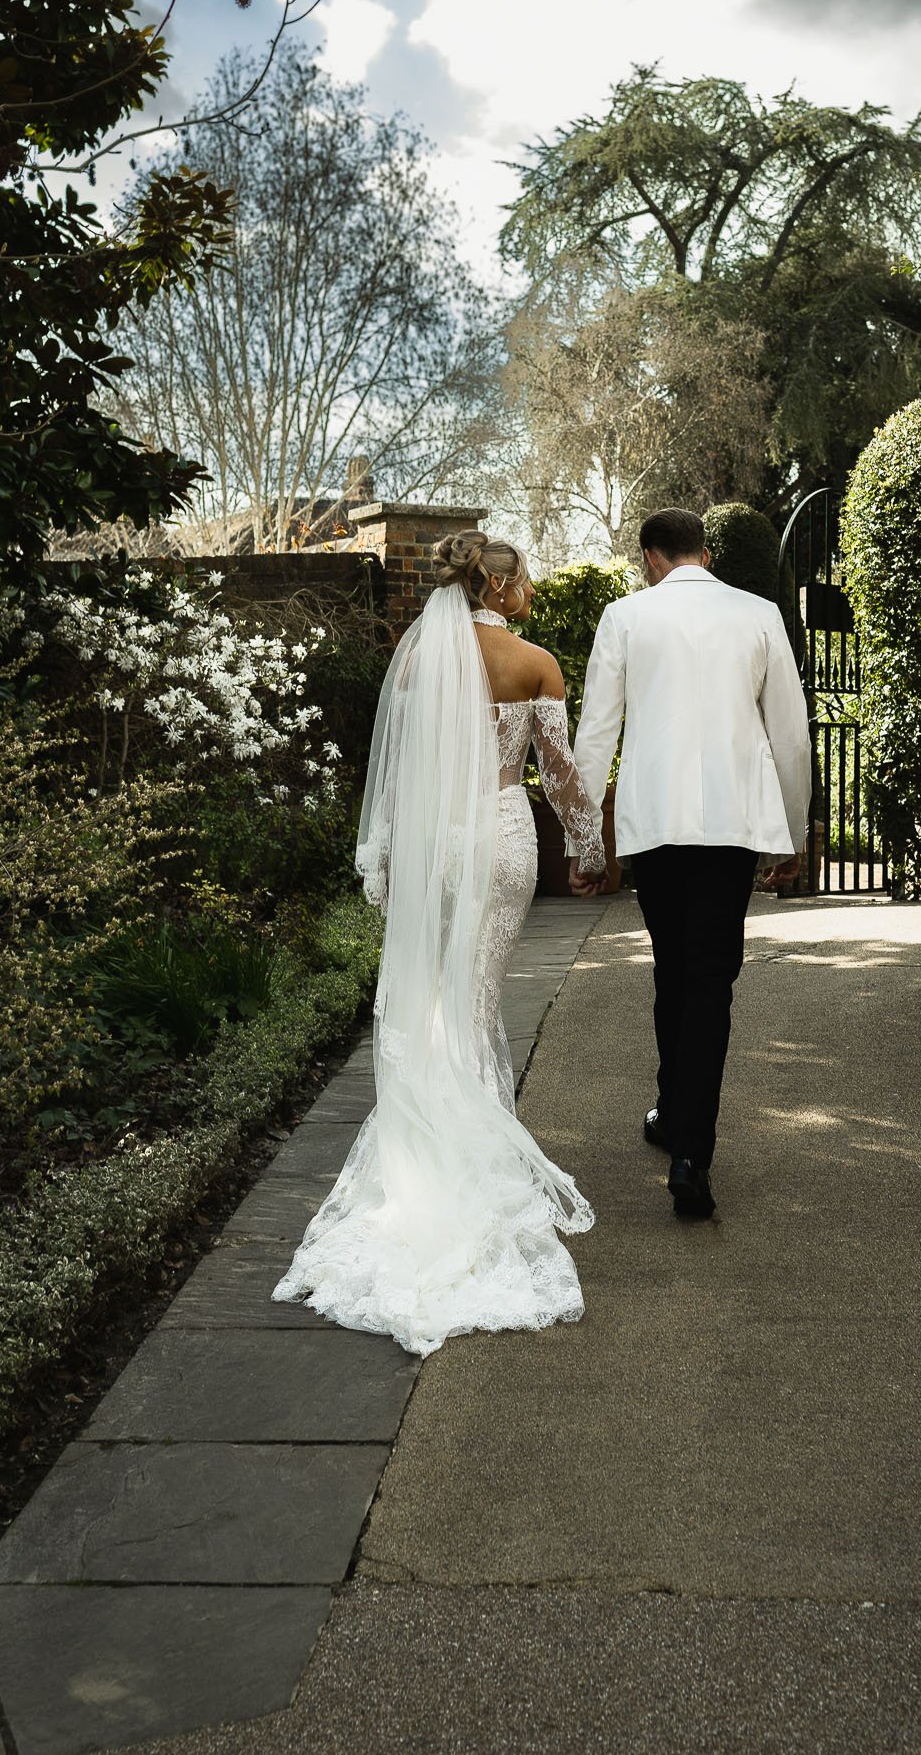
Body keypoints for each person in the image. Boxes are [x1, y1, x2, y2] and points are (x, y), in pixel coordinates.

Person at [273, 532, 608, 1353]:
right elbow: (558, 771)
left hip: (432, 843)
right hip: (497, 837)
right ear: (500, 588)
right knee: (479, 999)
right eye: (523, 579)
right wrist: (588, 844)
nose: (528, 591)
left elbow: (394, 771)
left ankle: (429, 1159)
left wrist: (385, 855)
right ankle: (475, 1171)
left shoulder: (419, 662)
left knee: (436, 1002)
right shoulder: (535, 663)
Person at [571, 507, 811, 1221]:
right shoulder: (760, 612)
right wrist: (791, 834)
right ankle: (689, 1153)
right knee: (710, 981)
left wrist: (587, 844)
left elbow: (595, 734)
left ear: (649, 557)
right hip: (731, 824)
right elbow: (790, 735)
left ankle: (674, 1114)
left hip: (653, 825)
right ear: (704, 553)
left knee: (673, 968)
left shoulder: (623, 616)